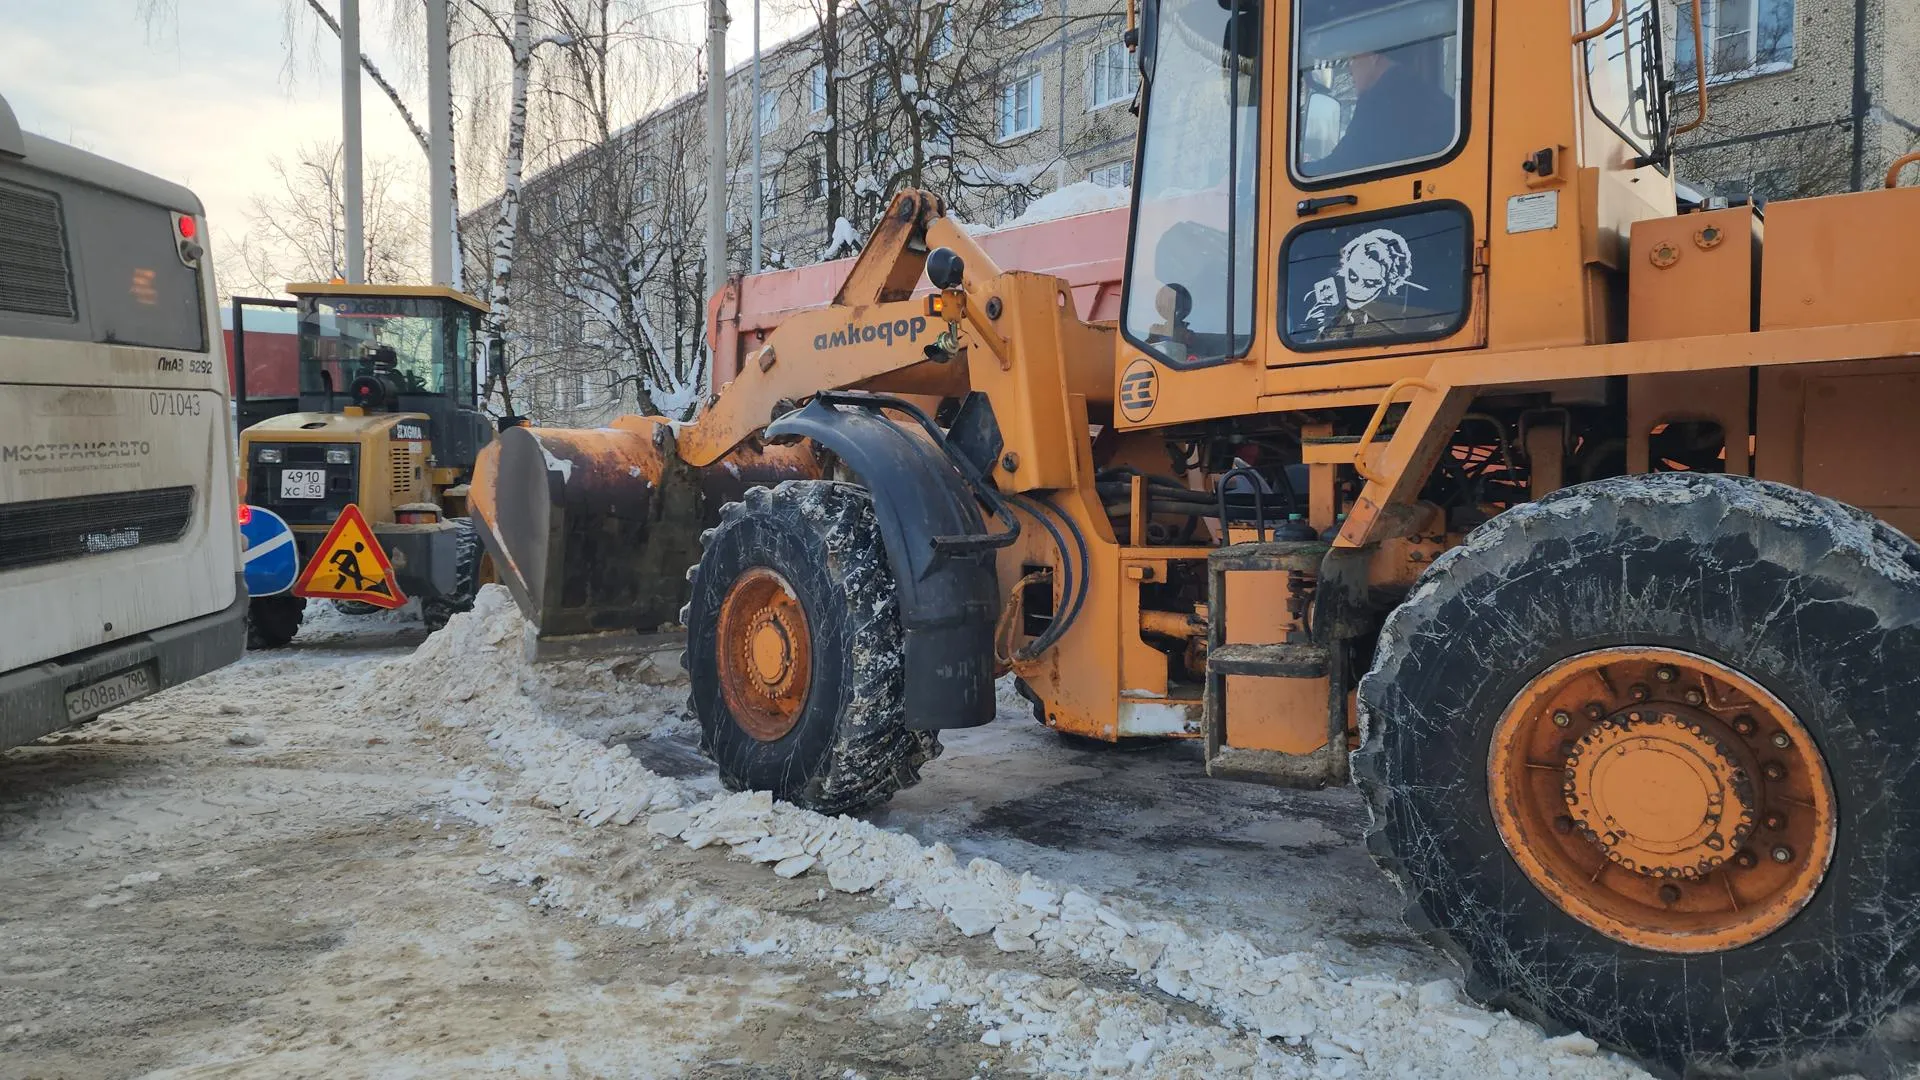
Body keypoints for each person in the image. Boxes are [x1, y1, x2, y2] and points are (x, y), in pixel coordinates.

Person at [1307, 39, 1456, 179]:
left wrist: (1304, 170)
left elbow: (1340, 166)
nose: (1350, 69)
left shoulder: (1380, 100)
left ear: (1374, 57)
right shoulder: (1426, 94)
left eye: (1353, 59)